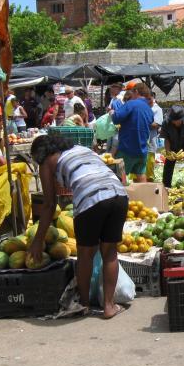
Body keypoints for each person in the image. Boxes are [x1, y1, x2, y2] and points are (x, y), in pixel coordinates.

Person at [29, 135, 128, 320]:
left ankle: (84, 304)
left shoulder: (46, 163)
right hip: (119, 195)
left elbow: (50, 205)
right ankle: (108, 306)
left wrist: (38, 240)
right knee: (110, 253)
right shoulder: (82, 150)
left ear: (39, 154)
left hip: (91, 200)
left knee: (85, 255)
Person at [111, 83, 154, 183]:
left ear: (136, 92)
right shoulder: (149, 109)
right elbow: (150, 122)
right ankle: (144, 197)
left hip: (127, 148)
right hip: (142, 149)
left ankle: (121, 197)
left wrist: (112, 113)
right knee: (141, 174)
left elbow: (117, 118)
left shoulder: (131, 104)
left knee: (119, 175)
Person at [161, 106, 184, 188]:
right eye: (174, 121)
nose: (176, 122)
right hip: (173, 145)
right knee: (168, 164)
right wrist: (168, 151)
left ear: (183, 118)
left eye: (178, 120)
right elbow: (166, 139)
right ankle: (166, 185)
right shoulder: (166, 123)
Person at [147, 93, 164, 182]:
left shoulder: (157, 109)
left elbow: (156, 124)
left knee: (150, 158)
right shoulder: (144, 107)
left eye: (149, 98)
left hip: (150, 138)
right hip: (141, 140)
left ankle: (149, 179)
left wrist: (142, 122)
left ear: (153, 98)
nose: (148, 101)